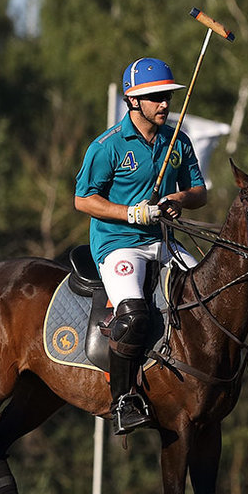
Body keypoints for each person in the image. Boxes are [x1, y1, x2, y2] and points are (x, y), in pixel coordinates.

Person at [73, 57, 206, 434]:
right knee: (133, 314)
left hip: (164, 241)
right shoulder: (108, 146)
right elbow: (83, 200)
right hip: (119, 244)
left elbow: (200, 191)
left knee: (204, 295)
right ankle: (123, 400)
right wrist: (131, 213)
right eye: (155, 97)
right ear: (134, 101)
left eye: (166, 96)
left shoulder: (177, 140)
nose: (165, 103)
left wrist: (179, 200)